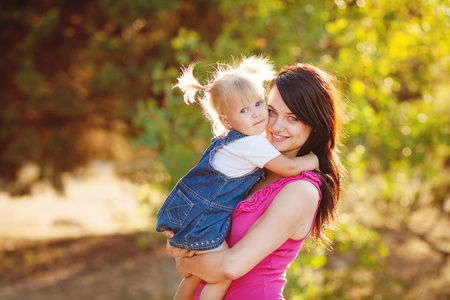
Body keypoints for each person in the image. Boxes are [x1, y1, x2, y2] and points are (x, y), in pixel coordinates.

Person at [165, 62, 346, 299]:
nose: (276, 126)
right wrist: (183, 245)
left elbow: (231, 267)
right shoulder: (249, 169)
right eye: (271, 111)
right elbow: (189, 254)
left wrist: (188, 264)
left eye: (292, 118)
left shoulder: (302, 189)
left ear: (315, 125)